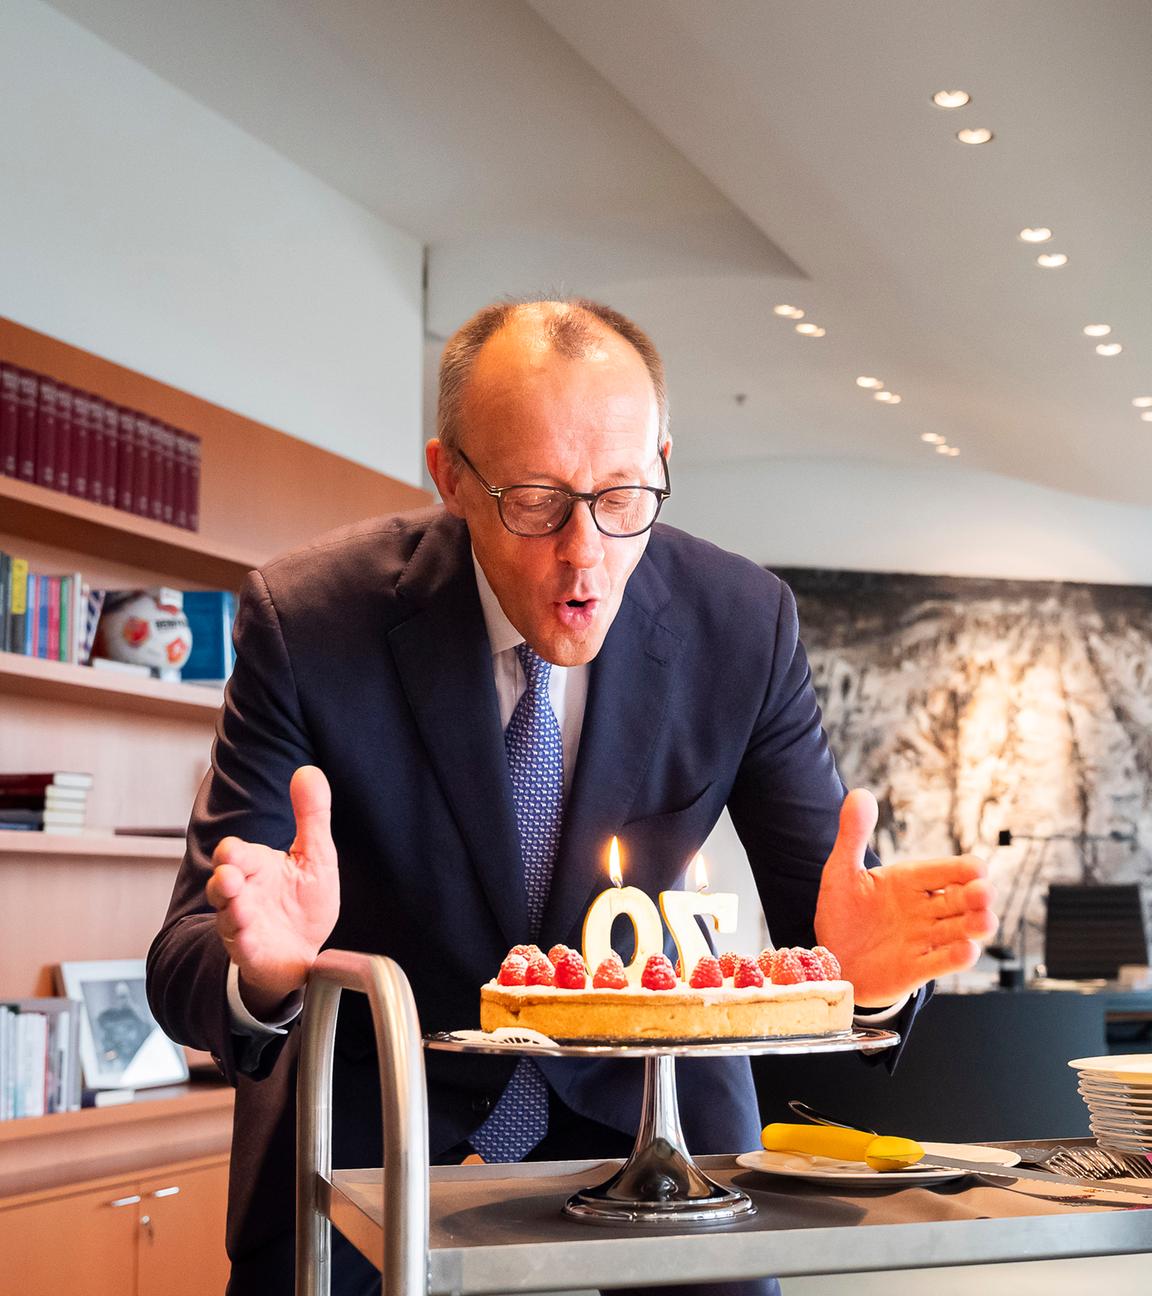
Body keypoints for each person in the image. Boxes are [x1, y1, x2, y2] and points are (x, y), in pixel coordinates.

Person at [147, 299, 997, 1296]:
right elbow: (183, 963)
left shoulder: (744, 625)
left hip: (664, 1137)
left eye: (624, 496)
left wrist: (867, 981)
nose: (586, 553)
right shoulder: (309, 622)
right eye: (538, 501)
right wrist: (271, 975)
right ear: (452, 478)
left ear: (663, 462)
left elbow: (836, 911)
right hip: (376, 1144)